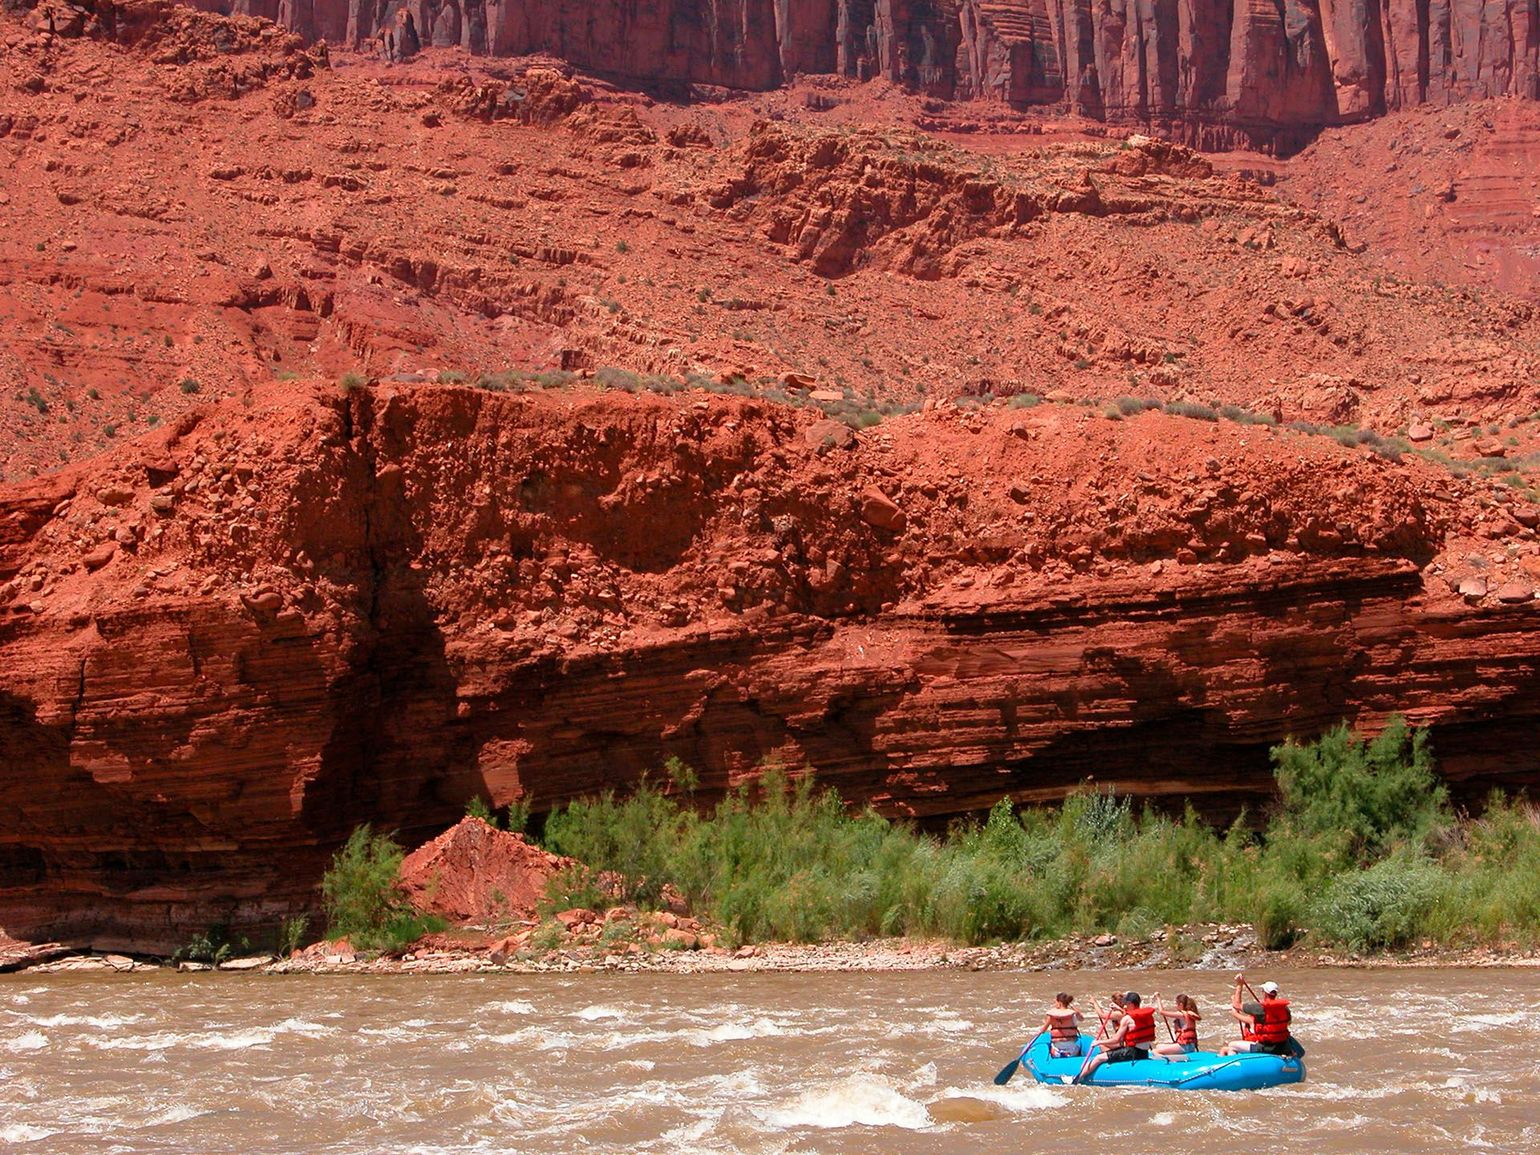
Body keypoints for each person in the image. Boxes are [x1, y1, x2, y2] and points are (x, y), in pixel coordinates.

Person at [1074, 991, 1157, 1083]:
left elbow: (1116, 1040)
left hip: (1131, 1053)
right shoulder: (1147, 1016)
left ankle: (1077, 1080)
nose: (1125, 1006)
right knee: (1109, 1051)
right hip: (1144, 1053)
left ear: (1130, 1004)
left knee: (1098, 1058)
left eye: (1126, 1004)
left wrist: (1098, 1042)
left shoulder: (1127, 1019)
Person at [1219, 973, 1293, 1056]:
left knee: (1231, 1045)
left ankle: (1233, 1062)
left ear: (1264, 993)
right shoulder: (1285, 1009)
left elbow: (1237, 1005)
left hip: (1265, 1048)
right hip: (1282, 1047)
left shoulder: (1258, 1008)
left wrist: (1239, 985)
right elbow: (1288, 1023)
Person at [1153, 992, 1201, 1058]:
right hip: (1190, 1046)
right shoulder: (1188, 1014)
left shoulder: (1181, 1015)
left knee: (1155, 1051)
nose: (1175, 1006)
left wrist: (1158, 997)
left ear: (1181, 1005)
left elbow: (1162, 1012)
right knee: (1158, 1046)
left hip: (1185, 1046)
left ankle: (1166, 1061)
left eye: (1176, 1004)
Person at [1040, 992, 1084, 1058]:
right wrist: (1074, 1008)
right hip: (1072, 1051)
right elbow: (1082, 1018)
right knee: (1078, 1047)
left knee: (1050, 1048)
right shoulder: (1073, 1014)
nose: (1055, 1004)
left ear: (1059, 1003)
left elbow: (1043, 1030)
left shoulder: (1051, 1015)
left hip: (1056, 1052)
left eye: (1056, 1002)